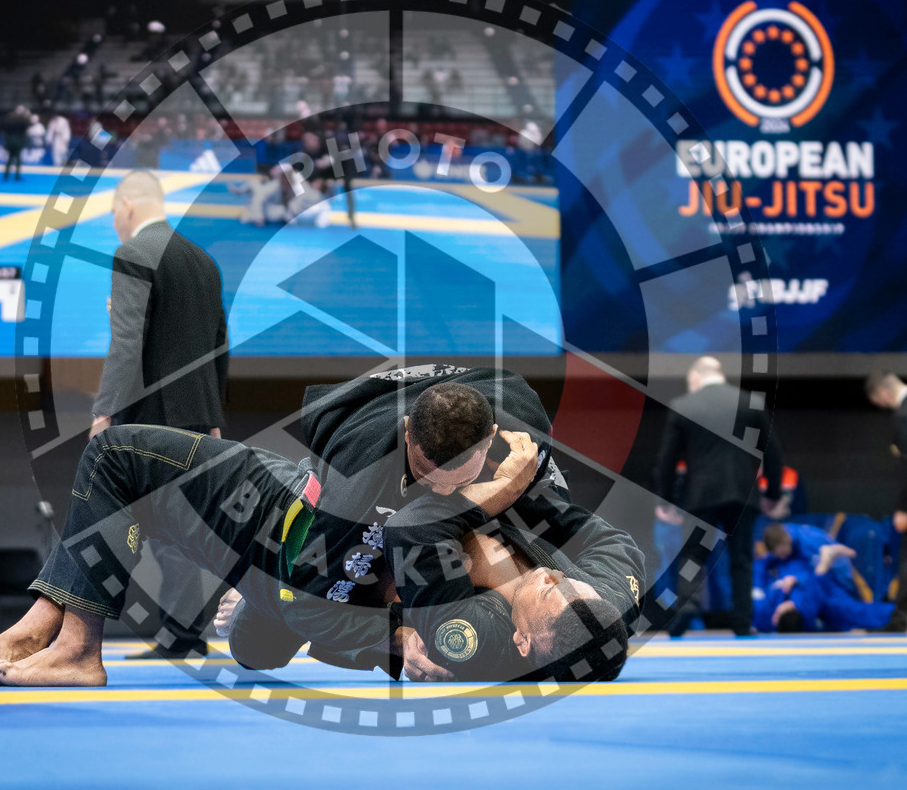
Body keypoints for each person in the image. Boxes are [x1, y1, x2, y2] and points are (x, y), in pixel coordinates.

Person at [226, 366, 644, 681]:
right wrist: (513, 493)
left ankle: (259, 581)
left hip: (410, 550)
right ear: (408, 435)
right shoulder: (357, 484)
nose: (558, 579)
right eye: (431, 476)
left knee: (254, 648)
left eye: (460, 481)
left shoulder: (488, 635)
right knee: (265, 634)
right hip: (374, 493)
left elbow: (411, 533)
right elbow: (609, 542)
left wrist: (399, 635)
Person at [91, 169, 229, 659]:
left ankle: (84, 632)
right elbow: (218, 348)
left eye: (112, 211)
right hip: (196, 418)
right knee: (184, 530)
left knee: (150, 529)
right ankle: (183, 634)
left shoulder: (133, 254)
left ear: (128, 203)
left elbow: (126, 345)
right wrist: (212, 416)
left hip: (149, 418)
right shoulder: (204, 262)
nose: (113, 222)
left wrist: (105, 412)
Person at [655, 356, 785, 637]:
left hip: (700, 495)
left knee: (692, 555)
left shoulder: (684, 406)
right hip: (742, 494)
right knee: (742, 559)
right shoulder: (751, 402)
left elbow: (667, 460)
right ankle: (742, 622)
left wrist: (665, 501)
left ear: (697, 378)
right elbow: (773, 455)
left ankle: (687, 609)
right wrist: (772, 495)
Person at [753, 554, 896, 634]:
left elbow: (757, 575)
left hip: (792, 566)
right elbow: (817, 580)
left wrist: (770, 558)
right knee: (852, 611)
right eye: (790, 607)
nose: (788, 605)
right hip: (823, 590)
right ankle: (898, 613)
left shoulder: (761, 611)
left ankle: (896, 613)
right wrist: (798, 579)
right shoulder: (805, 610)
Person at [865, 370, 907, 631]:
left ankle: (902, 617)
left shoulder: (903, 415)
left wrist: (903, 507)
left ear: (882, 393)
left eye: (878, 403)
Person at [760, 522, 857, 597]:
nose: (781, 557)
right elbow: (764, 561)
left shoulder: (809, 542)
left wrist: (796, 579)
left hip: (840, 579)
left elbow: (819, 576)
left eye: (782, 554)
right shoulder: (782, 535)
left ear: (787, 540)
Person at [3, 105, 30, 181]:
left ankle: (6, 175)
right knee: (17, 158)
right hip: (18, 142)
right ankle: (17, 175)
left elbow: (6, 129)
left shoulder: (10, 119)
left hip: (11, 141)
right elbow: (26, 126)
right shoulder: (22, 120)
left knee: (10, 158)